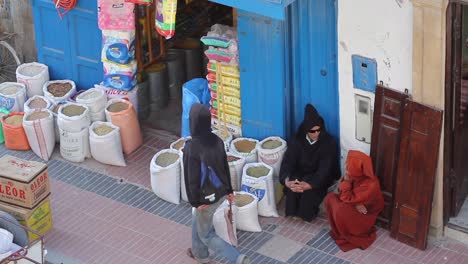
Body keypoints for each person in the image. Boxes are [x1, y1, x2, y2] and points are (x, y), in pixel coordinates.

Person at [183, 103, 249, 264]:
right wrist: (229, 190)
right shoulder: (217, 140)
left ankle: (238, 258)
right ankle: (200, 254)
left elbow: (191, 179)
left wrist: (196, 202)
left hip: (204, 199)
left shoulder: (191, 147)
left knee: (206, 234)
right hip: (220, 192)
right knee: (197, 219)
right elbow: (224, 167)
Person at [279, 104, 340, 222]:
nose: (316, 134)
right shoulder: (297, 140)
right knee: (294, 184)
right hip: (300, 173)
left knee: (310, 193)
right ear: (306, 130)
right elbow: (288, 162)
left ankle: (306, 214)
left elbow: (325, 169)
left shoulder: (328, 143)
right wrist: (287, 181)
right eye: (313, 131)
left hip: (318, 176)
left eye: (319, 130)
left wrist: (310, 184)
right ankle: (292, 211)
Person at [324, 150, 384, 252]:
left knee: (340, 209)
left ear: (357, 167)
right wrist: (356, 202)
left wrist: (354, 200)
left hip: (365, 215)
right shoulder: (354, 175)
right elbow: (341, 191)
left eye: (349, 164)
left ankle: (349, 232)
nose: (346, 166)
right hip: (353, 204)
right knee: (330, 198)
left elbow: (346, 197)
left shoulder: (370, 184)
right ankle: (340, 230)